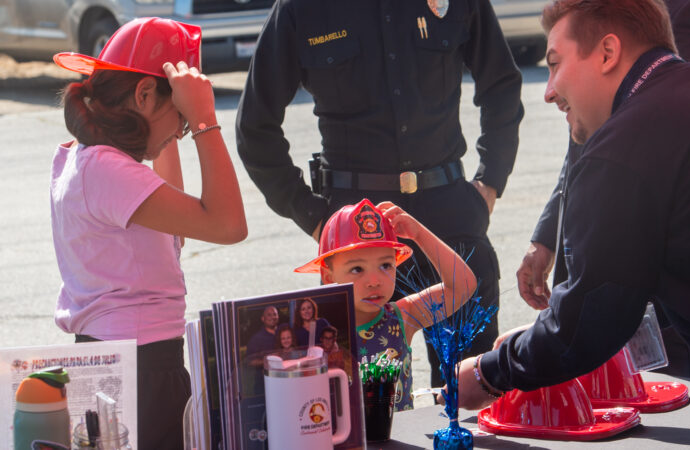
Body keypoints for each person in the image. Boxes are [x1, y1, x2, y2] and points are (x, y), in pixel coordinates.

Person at [456, 1, 690, 447]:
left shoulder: (625, 146)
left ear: (607, 52)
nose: (548, 89)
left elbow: (590, 324)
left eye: (555, 64)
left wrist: (489, 373)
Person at [235, 0, 524, 387]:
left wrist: (490, 181)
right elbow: (255, 127)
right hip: (358, 238)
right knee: (365, 401)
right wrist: (314, 217)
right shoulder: (301, 8)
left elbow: (501, 84)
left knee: (471, 391)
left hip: (450, 219)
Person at [50, 17, 247, 449]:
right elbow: (228, 225)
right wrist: (204, 120)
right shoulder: (107, 170)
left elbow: (177, 223)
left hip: (119, 360)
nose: (180, 127)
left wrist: (164, 128)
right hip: (142, 366)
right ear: (143, 95)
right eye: (177, 114)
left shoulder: (81, 159)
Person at [517, 0, 690, 378]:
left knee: (664, 402)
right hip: (595, 247)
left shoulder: (689, 7)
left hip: (657, 261)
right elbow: (583, 139)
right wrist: (547, 236)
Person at [295, 198, 477, 410]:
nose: (374, 281)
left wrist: (419, 234)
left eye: (385, 265)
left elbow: (462, 286)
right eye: (357, 269)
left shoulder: (402, 317)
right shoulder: (315, 332)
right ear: (328, 276)